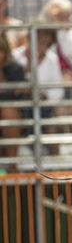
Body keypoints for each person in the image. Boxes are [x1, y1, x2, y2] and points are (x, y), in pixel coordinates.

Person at [0, 33, 26, 172]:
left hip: (13, 118)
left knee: (9, 112)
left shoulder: (15, 69)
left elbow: (19, 95)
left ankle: (12, 167)